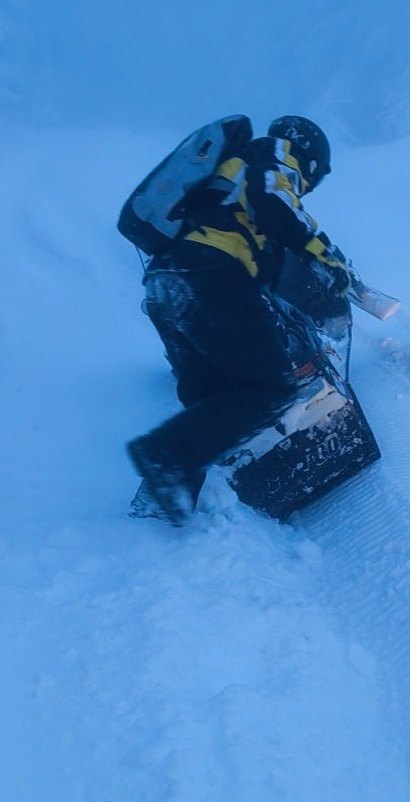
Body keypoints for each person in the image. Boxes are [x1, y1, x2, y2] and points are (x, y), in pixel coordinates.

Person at [127, 115, 354, 524]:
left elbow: (267, 238)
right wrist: (328, 256)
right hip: (209, 275)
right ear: (313, 161)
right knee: (269, 388)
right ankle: (161, 458)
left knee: (209, 401)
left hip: (168, 285)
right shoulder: (275, 152)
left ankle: (156, 511)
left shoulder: (228, 179)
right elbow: (275, 200)